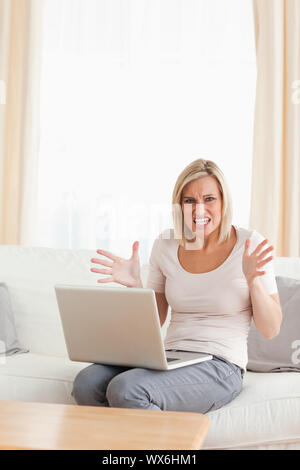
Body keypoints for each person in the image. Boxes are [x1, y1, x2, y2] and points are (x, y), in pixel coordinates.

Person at [72, 158, 282, 413]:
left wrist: (254, 281)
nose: (199, 210)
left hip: (221, 363)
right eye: (189, 201)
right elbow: (155, 319)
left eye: (209, 199)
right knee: (86, 383)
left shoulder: (249, 244)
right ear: (179, 205)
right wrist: (136, 286)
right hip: (171, 355)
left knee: (127, 389)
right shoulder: (167, 244)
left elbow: (271, 329)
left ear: (224, 201)